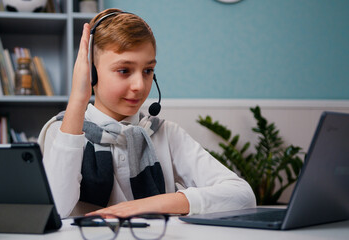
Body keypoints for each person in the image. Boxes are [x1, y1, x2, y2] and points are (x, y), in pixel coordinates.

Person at [38, 8, 256, 218]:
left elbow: (243, 195)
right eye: (124, 70)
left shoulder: (165, 134)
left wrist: (150, 204)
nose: (139, 86)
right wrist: (78, 98)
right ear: (92, 73)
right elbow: (57, 209)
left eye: (148, 70)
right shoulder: (62, 131)